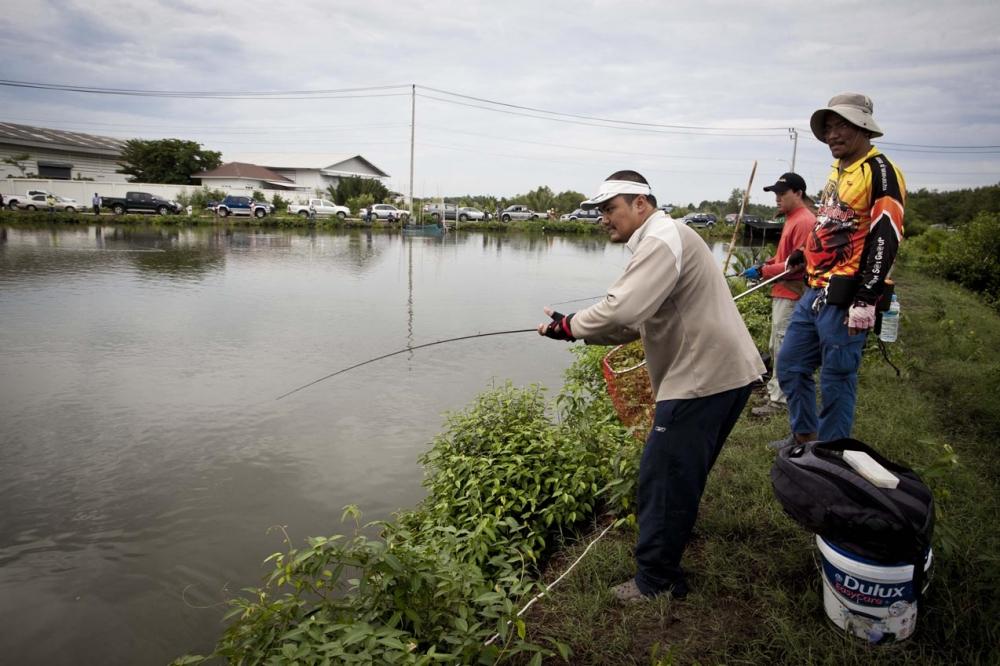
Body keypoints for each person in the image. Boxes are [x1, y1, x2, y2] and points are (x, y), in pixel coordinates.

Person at [538, 170, 764, 601]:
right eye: (600, 211)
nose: (603, 218)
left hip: (702, 379)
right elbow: (634, 323)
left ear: (640, 203)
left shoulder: (661, 239)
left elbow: (622, 309)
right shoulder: (660, 239)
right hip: (722, 375)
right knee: (679, 476)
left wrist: (570, 326)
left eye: (610, 208)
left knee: (661, 480)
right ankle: (670, 550)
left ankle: (656, 582)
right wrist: (571, 329)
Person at [774, 93, 905, 448]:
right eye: (829, 127)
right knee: (790, 365)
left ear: (863, 126)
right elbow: (829, 223)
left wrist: (866, 296)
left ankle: (830, 454)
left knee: (836, 378)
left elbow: (886, 234)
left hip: (846, 298)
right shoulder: (838, 170)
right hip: (815, 291)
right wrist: (804, 254)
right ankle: (803, 436)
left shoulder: (881, 172)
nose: (833, 134)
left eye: (842, 125)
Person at [743, 173, 815, 417]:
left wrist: (765, 270)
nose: (777, 199)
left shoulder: (805, 221)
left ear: (798, 193)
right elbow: (785, 258)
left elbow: (797, 265)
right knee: (776, 345)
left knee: (785, 347)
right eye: (776, 194)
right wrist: (767, 264)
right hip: (781, 291)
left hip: (793, 293)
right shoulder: (792, 219)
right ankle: (774, 389)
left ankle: (780, 401)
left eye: (782, 194)